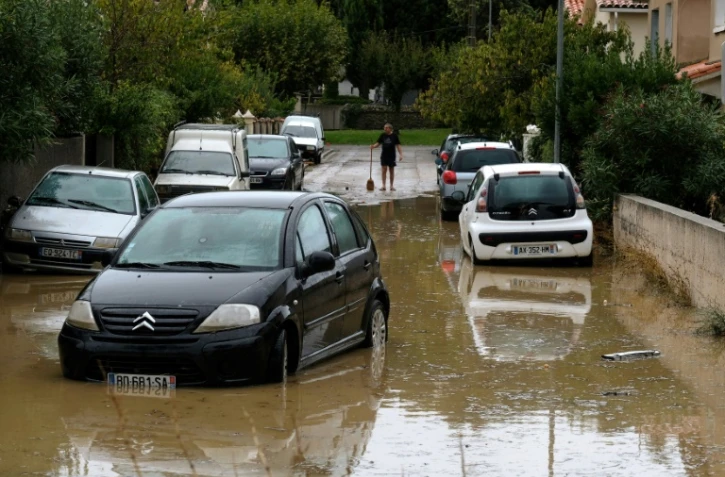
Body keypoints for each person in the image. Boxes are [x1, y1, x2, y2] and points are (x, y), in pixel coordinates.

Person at [370, 123, 403, 191]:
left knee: (391, 170)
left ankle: (391, 186)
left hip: (392, 156)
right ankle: (383, 186)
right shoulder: (383, 135)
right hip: (384, 155)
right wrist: (373, 146)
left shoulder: (394, 136)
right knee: (384, 170)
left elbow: (398, 145)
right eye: (384, 127)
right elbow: (378, 143)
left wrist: (401, 154)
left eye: (386, 128)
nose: (384, 129)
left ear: (390, 129)